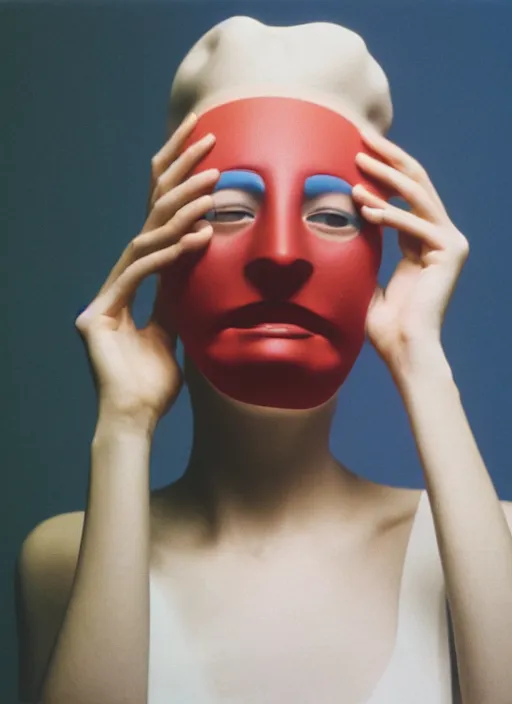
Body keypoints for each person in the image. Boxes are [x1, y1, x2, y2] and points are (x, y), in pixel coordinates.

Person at [15, 15, 512, 704]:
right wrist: (123, 426)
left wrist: (419, 357)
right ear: (163, 243)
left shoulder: (485, 542)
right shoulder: (61, 560)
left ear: (382, 249)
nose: (280, 254)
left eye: (334, 216)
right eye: (227, 210)